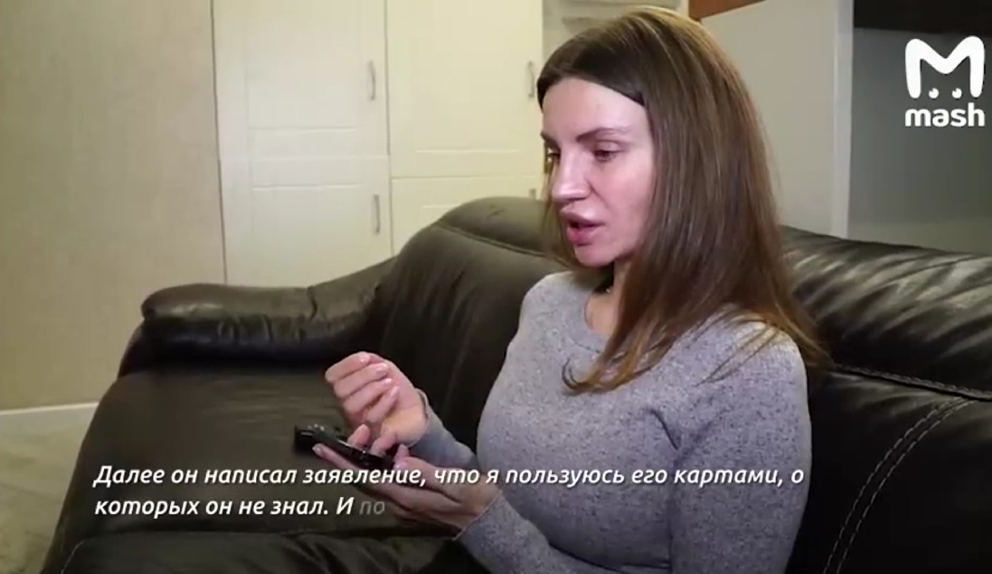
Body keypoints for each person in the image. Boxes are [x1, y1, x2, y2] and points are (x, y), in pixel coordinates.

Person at [315, 6, 828, 573]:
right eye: (556, 153)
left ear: (697, 162)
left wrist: (480, 524)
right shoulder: (549, 302)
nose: (561, 186)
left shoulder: (747, 370)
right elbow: (509, 504)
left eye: (603, 151)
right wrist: (424, 434)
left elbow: (494, 526)